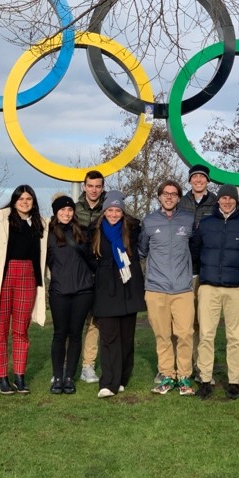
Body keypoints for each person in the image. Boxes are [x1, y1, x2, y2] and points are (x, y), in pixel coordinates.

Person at [0, 185, 48, 395]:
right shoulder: (0, 219)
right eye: (21, 198)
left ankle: (19, 375)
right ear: (14, 200)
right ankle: (1, 376)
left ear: (33, 201)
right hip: (4, 276)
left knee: (21, 329)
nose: (24, 202)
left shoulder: (41, 224)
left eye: (28, 199)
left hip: (29, 277)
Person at [192, 184, 239, 400]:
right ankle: (205, 380)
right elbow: (194, 252)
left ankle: (233, 382)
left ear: (236, 201)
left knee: (235, 337)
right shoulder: (205, 224)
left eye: (231, 198)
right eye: (223, 198)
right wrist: (201, 277)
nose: (227, 201)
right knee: (206, 335)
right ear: (218, 200)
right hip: (209, 287)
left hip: (237, 289)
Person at [138, 180, 195, 396]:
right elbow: (142, 250)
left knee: (185, 334)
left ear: (179, 197)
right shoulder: (150, 221)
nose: (169, 197)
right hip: (156, 288)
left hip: (182, 289)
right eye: (165, 193)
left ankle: (184, 378)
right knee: (162, 335)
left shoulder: (188, 220)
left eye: (173, 194)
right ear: (159, 197)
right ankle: (167, 375)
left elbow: (195, 247)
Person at [89, 191, 146, 398]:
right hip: (106, 290)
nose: (113, 214)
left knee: (126, 337)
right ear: (104, 211)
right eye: (110, 210)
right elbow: (89, 256)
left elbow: (142, 248)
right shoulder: (95, 230)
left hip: (128, 287)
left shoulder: (132, 230)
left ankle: (122, 378)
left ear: (123, 212)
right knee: (108, 337)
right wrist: (101, 268)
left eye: (117, 210)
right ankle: (108, 382)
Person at [46, 195, 94, 395]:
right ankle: (57, 376)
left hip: (83, 291)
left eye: (70, 210)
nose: (66, 213)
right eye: (62, 210)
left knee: (75, 334)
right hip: (59, 292)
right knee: (59, 334)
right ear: (56, 212)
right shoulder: (47, 234)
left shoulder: (82, 232)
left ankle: (69, 377)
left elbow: (92, 258)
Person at [179, 163, 217, 384]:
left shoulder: (216, 202)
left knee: (205, 322)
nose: (199, 181)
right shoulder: (181, 202)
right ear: (190, 181)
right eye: (195, 177)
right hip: (185, 268)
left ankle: (205, 367)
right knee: (187, 322)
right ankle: (188, 364)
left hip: (208, 268)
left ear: (207, 181)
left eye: (202, 177)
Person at [75, 169, 106, 384]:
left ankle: (88, 365)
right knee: (73, 322)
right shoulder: (73, 209)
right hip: (76, 272)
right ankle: (67, 366)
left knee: (95, 322)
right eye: (90, 185)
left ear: (102, 188)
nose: (94, 190)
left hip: (100, 271)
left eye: (98, 186)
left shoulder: (109, 209)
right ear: (84, 186)